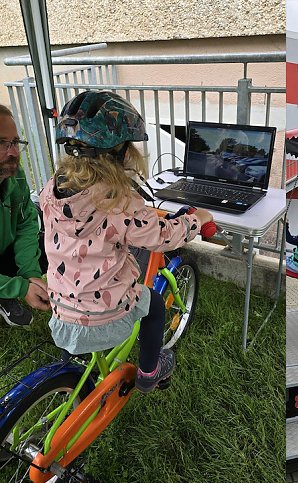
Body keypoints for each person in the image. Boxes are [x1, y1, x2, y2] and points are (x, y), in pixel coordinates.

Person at [43, 90, 213, 393]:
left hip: (61, 307)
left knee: (76, 306)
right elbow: (161, 236)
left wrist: (140, 211)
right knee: (156, 305)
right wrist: (196, 220)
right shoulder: (119, 202)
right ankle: (149, 373)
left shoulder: (52, 190)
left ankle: (68, 366)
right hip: (104, 316)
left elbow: (100, 219)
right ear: (119, 152)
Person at [0, 104, 49, 327]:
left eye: (15, 143)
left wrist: (30, 275)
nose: (13, 152)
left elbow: (26, 223)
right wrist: (19, 288)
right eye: (1, 143)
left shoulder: (15, 176)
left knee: (47, 244)